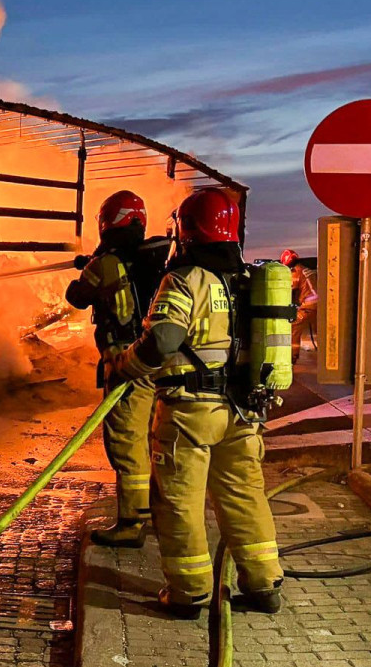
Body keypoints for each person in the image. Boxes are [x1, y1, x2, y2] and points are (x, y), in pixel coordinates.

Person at [109, 188, 283, 617]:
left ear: (186, 231)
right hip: (242, 412)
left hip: (191, 412)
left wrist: (126, 365)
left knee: (178, 500)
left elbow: (164, 339)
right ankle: (264, 585)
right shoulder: (248, 280)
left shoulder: (186, 279)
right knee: (244, 495)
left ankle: (189, 593)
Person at [65, 190, 169, 548]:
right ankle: (159, 512)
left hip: (125, 365)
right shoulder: (155, 259)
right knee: (154, 441)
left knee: (126, 442)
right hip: (157, 362)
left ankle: (131, 523)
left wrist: (88, 265)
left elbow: (77, 297)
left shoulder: (104, 264)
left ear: (108, 222)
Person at [280, 248, 318, 364]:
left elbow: (289, 288)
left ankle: (292, 356)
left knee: (294, 325)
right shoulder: (306, 270)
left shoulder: (296, 272)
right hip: (318, 305)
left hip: (308, 306)